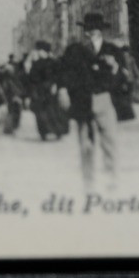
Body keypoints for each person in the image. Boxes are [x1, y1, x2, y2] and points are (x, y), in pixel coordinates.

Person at [58, 12, 125, 187]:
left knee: (109, 140)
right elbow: (63, 72)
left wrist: (115, 67)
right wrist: (63, 89)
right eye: (88, 29)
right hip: (82, 99)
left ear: (101, 30)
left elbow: (124, 76)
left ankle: (112, 178)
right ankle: (88, 181)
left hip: (103, 98)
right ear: (84, 31)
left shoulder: (113, 50)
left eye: (95, 28)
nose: (91, 32)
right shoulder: (74, 50)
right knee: (85, 143)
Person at [27, 40, 69, 141]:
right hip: (40, 91)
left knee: (54, 112)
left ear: (44, 51)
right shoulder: (36, 63)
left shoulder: (54, 62)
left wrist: (56, 85)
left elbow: (60, 76)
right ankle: (43, 132)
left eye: (39, 50)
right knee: (41, 113)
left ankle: (58, 131)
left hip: (52, 90)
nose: (38, 53)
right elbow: (32, 79)